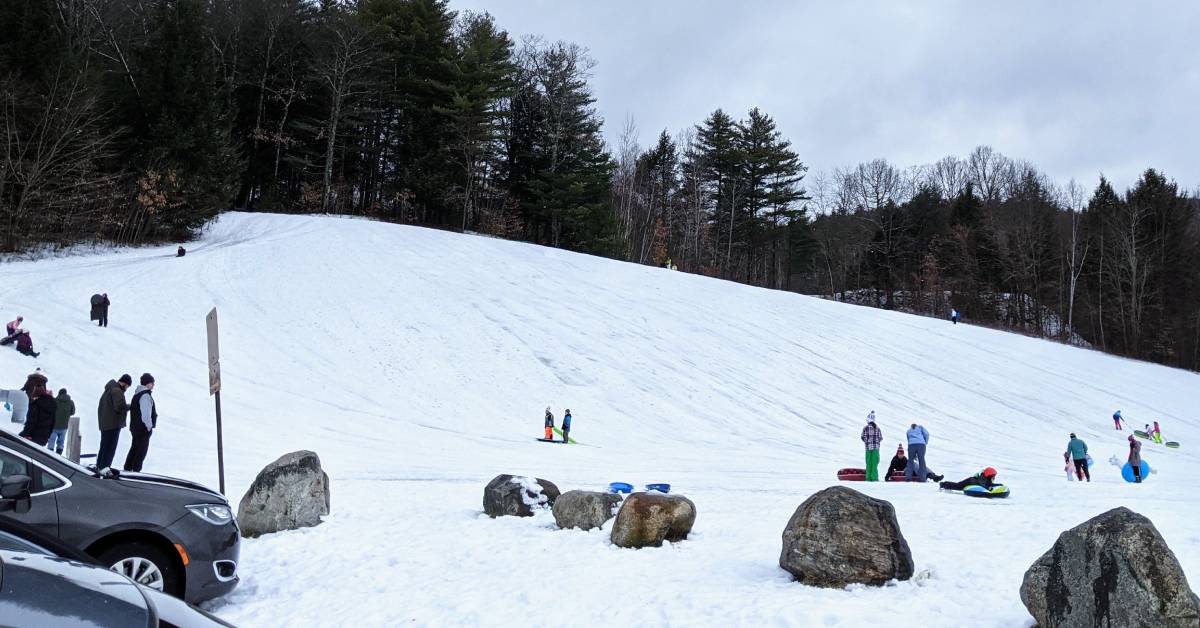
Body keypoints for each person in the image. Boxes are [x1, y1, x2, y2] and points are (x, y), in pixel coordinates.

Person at [96, 374, 132, 469]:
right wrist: (131, 406)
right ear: (124, 383)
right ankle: (104, 469)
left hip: (105, 424)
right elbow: (119, 407)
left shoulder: (109, 389)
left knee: (104, 448)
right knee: (109, 449)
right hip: (113, 424)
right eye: (127, 386)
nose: (127, 389)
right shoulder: (117, 391)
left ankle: (99, 466)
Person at [123, 373, 156, 472]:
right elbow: (145, 414)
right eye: (152, 383)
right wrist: (149, 426)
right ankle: (135, 471)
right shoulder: (145, 395)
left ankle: (128, 468)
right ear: (148, 383)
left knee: (135, 448)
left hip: (135, 427)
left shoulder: (137, 394)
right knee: (141, 451)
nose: (153, 385)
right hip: (142, 429)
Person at [19, 382, 57, 447]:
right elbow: (53, 423)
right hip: (43, 438)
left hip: (32, 437)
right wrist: (47, 437)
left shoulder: (35, 405)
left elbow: (31, 422)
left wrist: (23, 435)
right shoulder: (52, 405)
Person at [49, 388, 74, 455]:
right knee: (61, 442)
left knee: (51, 441)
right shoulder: (71, 402)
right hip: (64, 426)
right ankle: (58, 457)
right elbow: (72, 412)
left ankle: (49, 456)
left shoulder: (54, 401)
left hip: (54, 426)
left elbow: (50, 411)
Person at [861, 414, 883, 481]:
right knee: (874, 464)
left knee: (868, 463)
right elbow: (880, 438)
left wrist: (867, 442)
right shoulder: (878, 428)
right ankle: (874, 478)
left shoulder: (865, 428)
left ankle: (868, 478)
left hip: (868, 448)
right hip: (876, 448)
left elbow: (863, 437)